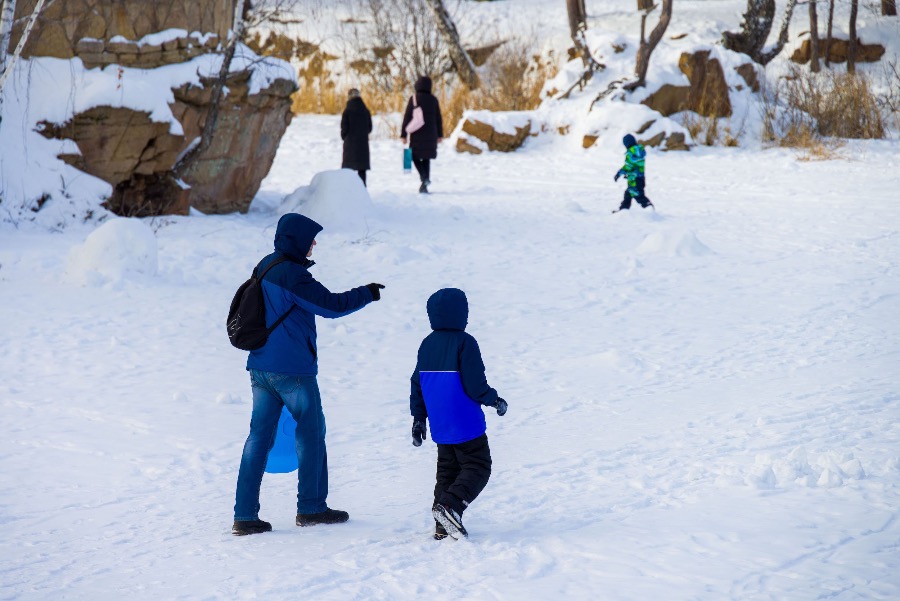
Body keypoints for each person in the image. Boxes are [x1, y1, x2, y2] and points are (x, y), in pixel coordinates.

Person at [232, 213, 385, 536]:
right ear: (297, 240)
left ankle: (244, 515)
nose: (314, 244)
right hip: (292, 372)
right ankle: (312, 507)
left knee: (259, 438)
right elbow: (330, 306)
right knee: (311, 434)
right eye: (311, 239)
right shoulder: (292, 275)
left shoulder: (267, 265)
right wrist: (367, 293)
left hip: (260, 367)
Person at [409, 288, 508, 540]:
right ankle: (451, 506)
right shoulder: (465, 342)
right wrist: (493, 399)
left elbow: (417, 382)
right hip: (465, 421)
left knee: (448, 470)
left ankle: (443, 524)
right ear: (461, 314)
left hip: (440, 424)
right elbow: (475, 384)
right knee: (478, 466)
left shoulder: (427, 344)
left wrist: (419, 418)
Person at [401, 75, 444, 194]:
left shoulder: (414, 98)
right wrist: (440, 134)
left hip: (417, 134)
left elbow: (407, 117)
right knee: (426, 158)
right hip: (431, 134)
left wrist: (403, 134)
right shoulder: (434, 100)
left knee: (413, 156)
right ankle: (425, 184)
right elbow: (438, 118)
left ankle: (424, 178)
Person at [614, 133, 655, 212]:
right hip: (640, 178)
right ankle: (623, 211)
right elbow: (635, 166)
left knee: (638, 195)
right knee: (628, 194)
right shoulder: (640, 152)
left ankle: (649, 208)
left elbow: (628, 166)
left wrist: (619, 173)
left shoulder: (630, 153)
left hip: (634, 179)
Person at [341, 88, 373, 186]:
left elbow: (344, 128)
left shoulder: (347, 111)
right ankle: (362, 190)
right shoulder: (365, 110)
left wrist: (345, 137)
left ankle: (348, 190)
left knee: (347, 170)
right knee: (362, 170)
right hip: (363, 145)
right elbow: (370, 128)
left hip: (350, 145)